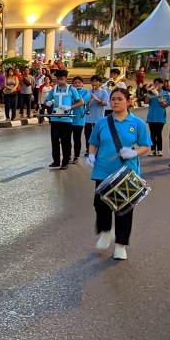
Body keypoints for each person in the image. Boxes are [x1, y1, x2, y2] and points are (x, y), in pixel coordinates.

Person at [85, 87, 151, 261]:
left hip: (126, 172)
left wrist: (134, 153)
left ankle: (120, 245)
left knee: (124, 209)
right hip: (102, 170)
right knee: (100, 204)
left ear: (128, 101)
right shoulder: (102, 122)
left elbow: (145, 145)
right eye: (113, 99)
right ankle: (106, 230)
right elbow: (93, 142)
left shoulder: (137, 123)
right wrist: (91, 154)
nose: (115, 102)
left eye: (120, 99)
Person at [46, 69, 83, 169]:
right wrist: (48, 103)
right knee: (54, 140)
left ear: (66, 78)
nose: (61, 80)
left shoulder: (71, 89)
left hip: (66, 119)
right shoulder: (54, 89)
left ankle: (65, 162)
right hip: (55, 119)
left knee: (65, 141)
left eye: (62, 78)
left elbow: (81, 102)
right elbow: (47, 100)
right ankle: (56, 161)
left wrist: (70, 107)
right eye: (59, 79)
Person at [145, 77, 168, 156]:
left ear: (162, 84)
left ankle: (159, 150)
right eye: (155, 83)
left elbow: (164, 105)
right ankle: (153, 150)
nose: (157, 85)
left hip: (160, 116)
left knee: (158, 133)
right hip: (151, 116)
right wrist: (149, 93)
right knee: (152, 133)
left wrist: (159, 97)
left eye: (159, 83)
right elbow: (146, 102)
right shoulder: (151, 92)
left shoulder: (165, 93)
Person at [84, 75, 109, 144]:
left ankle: (98, 149)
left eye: (96, 81)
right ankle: (88, 149)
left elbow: (105, 104)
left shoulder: (104, 92)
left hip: (98, 117)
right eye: (93, 81)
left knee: (98, 134)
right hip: (88, 117)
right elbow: (83, 102)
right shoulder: (88, 92)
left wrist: (97, 99)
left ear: (100, 83)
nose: (94, 83)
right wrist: (87, 102)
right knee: (87, 134)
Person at [70, 76, 88, 163]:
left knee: (77, 139)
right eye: (75, 83)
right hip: (68, 118)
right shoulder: (69, 91)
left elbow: (81, 101)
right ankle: (68, 155)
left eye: (79, 82)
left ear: (82, 84)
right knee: (66, 139)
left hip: (79, 119)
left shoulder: (86, 92)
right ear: (72, 84)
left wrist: (74, 93)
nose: (77, 84)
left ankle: (76, 156)